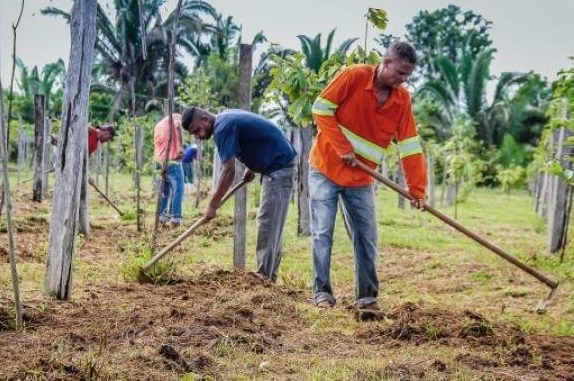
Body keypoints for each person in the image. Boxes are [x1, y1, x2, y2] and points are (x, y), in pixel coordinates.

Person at [309, 41, 427, 312]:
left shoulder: (402, 100)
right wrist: (343, 148)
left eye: (408, 75)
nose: (403, 79)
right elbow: (321, 109)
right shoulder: (354, 76)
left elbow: (409, 146)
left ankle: (367, 299)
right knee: (322, 232)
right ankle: (323, 295)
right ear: (385, 63)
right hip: (325, 167)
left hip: (361, 179)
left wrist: (417, 189)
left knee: (367, 236)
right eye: (399, 72)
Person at [182, 107, 296, 282]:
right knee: (272, 223)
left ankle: (264, 278)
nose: (198, 136)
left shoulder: (222, 127)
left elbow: (228, 171)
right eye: (194, 134)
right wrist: (252, 167)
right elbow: (256, 139)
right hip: (275, 165)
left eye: (197, 130)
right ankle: (268, 277)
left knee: (269, 222)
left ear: (205, 118)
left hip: (279, 167)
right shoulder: (226, 118)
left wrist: (212, 205)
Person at [153, 113, 185, 228]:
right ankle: (176, 219)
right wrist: (181, 148)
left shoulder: (158, 125)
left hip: (158, 161)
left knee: (164, 191)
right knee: (178, 190)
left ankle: (161, 217)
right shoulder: (176, 118)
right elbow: (178, 126)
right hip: (172, 161)